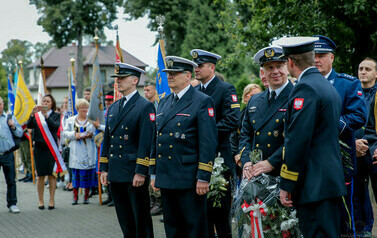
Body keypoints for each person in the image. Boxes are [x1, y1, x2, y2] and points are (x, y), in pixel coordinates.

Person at [276, 36, 346, 237]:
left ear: (290, 62)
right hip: (327, 181)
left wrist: (287, 183)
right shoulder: (325, 84)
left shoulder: (305, 88)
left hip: (313, 185)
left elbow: (297, 140)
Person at [150, 56, 218, 238]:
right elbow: (157, 139)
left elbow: (208, 142)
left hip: (189, 178)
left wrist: (204, 176)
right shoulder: (163, 102)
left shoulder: (202, 101)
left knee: (194, 228)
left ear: (188, 76)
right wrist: (154, 173)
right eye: (168, 74)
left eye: (175, 73)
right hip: (166, 176)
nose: (170, 77)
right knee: (172, 228)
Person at [314, 35, 367, 237]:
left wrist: (328, 125)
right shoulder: (302, 84)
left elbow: (358, 115)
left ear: (332, 58)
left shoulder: (347, 84)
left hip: (340, 159)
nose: (317, 60)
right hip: (312, 162)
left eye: (321, 55)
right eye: (314, 56)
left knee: (344, 214)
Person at [100, 62, 155, 238]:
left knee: (141, 219)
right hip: (116, 171)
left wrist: (141, 171)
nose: (118, 81)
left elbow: (146, 142)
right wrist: (104, 168)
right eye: (117, 78)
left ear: (135, 80)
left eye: (122, 78)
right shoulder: (114, 107)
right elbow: (107, 139)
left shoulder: (144, 106)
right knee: (125, 220)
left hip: (133, 173)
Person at [190, 49, 240, 238]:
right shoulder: (194, 91)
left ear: (212, 67)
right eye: (195, 66)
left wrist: (205, 131)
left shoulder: (225, 89)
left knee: (220, 214)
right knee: (203, 216)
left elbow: (233, 119)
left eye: (200, 66)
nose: (196, 70)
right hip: (199, 158)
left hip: (220, 157)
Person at [239, 45, 293, 179]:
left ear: (287, 68)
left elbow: (296, 138)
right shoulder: (255, 100)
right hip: (256, 172)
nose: (275, 71)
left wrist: (271, 162)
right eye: (270, 67)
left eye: (279, 66)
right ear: (262, 72)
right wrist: (246, 162)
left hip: (285, 171)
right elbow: (245, 134)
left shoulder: (296, 96)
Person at [354, 57, 377, 237]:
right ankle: (364, 230)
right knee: (358, 194)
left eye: (367, 69)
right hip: (356, 149)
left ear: (376, 74)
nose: (363, 72)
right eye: (361, 68)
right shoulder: (352, 94)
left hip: (375, 149)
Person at [27, 94, 61, 210]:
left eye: (48, 101)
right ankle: (40, 200)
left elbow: (55, 127)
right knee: (40, 175)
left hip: (51, 148)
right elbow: (29, 126)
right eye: (44, 101)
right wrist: (32, 114)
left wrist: (46, 116)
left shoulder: (56, 115)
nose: (45, 103)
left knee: (52, 175)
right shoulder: (36, 115)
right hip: (39, 148)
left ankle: (51, 200)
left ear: (52, 103)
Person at [63, 99, 97, 205]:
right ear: (77, 109)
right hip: (76, 151)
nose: (84, 110)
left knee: (87, 176)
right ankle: (75, 197)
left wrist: (91, 135)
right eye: (82, 108)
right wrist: (74, 134)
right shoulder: (71, 120)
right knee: (76, 177)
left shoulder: (91, 120)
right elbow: (65, 133)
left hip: (88, 150)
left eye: (86, 108)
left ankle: (86, 197)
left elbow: (97, 132)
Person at [231, 83, 262, 168]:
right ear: (245, 97)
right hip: (241, 158)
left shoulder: (262, 115)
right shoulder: (240, 116)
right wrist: (237, 154)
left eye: (259, 95)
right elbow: (234, 137)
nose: (256, 98)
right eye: (253, 95)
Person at [0, 97, 22, 213]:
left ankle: (12, 203)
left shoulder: (9, 118)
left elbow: (20, 133)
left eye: (0, 104)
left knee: (11, 180)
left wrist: (13, 126)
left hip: (7, 154)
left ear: (3, 105)